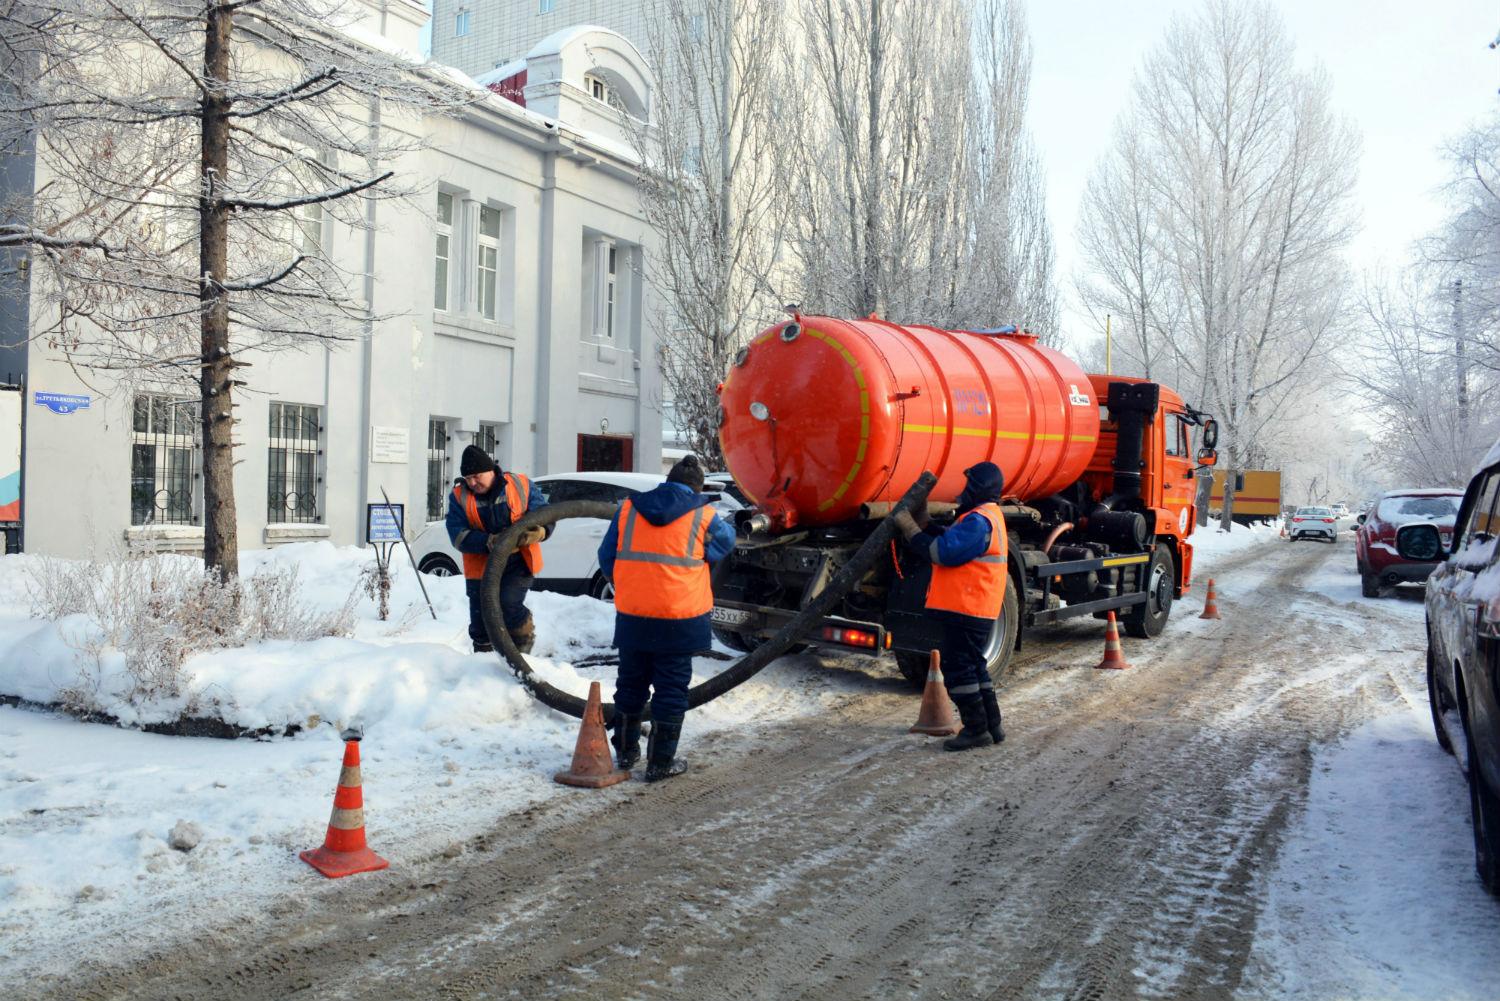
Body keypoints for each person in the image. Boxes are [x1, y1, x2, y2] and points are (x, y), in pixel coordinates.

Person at [596, 455, 736, 782]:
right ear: (696, 488)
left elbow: (606, 556)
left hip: (633, 615)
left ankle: (627, 753)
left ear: (666, 480)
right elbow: (725, 545)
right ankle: (660, 762)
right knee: (671, 688)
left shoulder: (629, 509)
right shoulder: (704, 516)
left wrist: (628, 584)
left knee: (631, 682)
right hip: (679, 617)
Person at [892, 461, 1008, 751]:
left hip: (966, 609)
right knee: (975, 667)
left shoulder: (979, 520)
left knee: (958, 671)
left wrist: (911, 530)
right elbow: (952, 541)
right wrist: (928, 525)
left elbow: (941, 552)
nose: (963, 490)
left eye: (969, 485)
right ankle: (992, 727)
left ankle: (976, 730)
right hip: (974, 608)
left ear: (979, 489)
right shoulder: (984, 517)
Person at [446, 444, 549, 654]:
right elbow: (457, 535)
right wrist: (489, 542)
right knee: (481, 620)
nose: (472, 482)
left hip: (518, 561)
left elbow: (546, 514)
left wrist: (540, 531)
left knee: (508, 604)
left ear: (491, 470)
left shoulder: (520, 485)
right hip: (480, 567)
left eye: (477, 476)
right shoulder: (459, 496)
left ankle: (521, 653)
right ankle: (483, 664)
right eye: (468, 478)